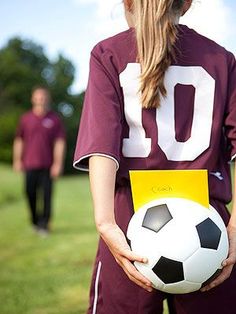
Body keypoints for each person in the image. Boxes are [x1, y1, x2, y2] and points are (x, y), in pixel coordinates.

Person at [73, 0, 236, 313]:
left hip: (130, 218)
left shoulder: (108, 53)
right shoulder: (221, 58)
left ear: (127, 3)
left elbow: (102, 146)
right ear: (187, 3)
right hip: (208, 221)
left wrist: (106, 223)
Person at [13, 86, 66, 234]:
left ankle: (44, 225)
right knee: (29, 193)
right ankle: (35, 221)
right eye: (38, 97)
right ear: (33, 99)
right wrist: (17, 160)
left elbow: (59, 143)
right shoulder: (25, 119)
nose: (40, 100)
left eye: (43, 97)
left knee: (47, 196)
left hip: (47, 165)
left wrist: (58, 163)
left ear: (47, 99)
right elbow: (19, 140)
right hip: (29, 164)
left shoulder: (54, 119)